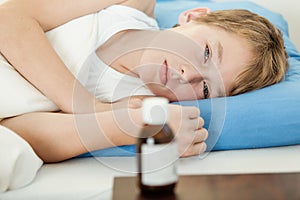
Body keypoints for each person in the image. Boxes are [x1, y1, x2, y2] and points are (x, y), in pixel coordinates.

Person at [0, 0, 288, 163]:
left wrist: (123, 127)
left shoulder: (142, 106)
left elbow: (13, 133)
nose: (187, 74)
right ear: (193, 16)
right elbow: (9, 19)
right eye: (207, 52)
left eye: (204, 87)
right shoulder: (129, 5)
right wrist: (86, 106)